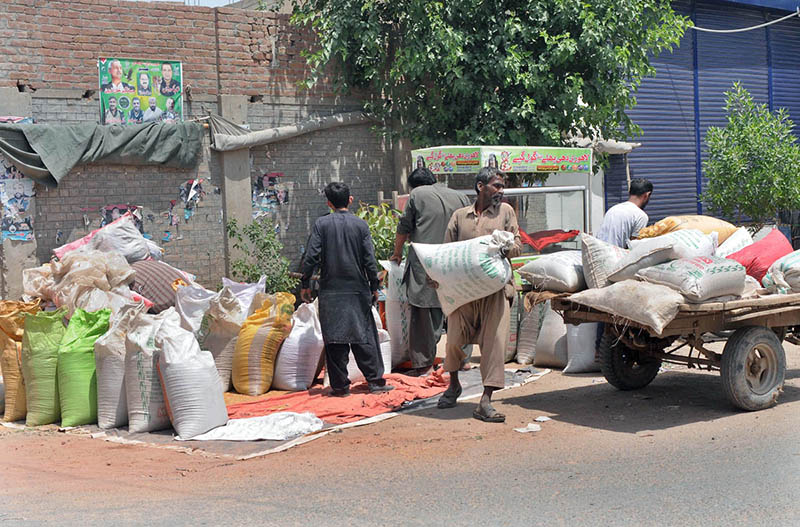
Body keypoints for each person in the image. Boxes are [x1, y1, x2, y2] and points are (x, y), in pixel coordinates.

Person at [436, 167, 521, 423]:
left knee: (494, 344)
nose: (501, 190)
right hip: (464, 292)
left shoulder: (506, 212)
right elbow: (446, 252)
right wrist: (437, 277)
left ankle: (485, 400)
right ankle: (454, 385)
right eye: (496, 185)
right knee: (453, 341)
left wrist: (506, 247)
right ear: (480, 187)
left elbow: (517, 244)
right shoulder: (460, 216)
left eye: (502, 186)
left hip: (495, 291)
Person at [300, 182, 395, 397]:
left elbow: (311, 256)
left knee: (335, 339)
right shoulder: (360, 225)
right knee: (364, 337)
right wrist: (374, 285)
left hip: (331, 291)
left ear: (329, 203)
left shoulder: (321, 225)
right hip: (357, 289)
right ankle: (376, 383)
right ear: (350, 200)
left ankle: (340, 387)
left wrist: (305, 284)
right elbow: (369, 260)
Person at [389, 167, 471, 376]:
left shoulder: (417, 194)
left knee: (424, 311)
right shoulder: (460, 196)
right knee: (457, 310)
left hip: (427, 262)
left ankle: (423, 363)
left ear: (415, 186)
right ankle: (462, 359)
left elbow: (404, 227)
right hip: (455, 261)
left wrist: (397, 254)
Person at [595, 178, 653, 248]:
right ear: (647, 195)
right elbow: (634, 246)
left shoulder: (614, 209)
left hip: (599, 251)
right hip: (615, 256)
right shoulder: (641, 216)